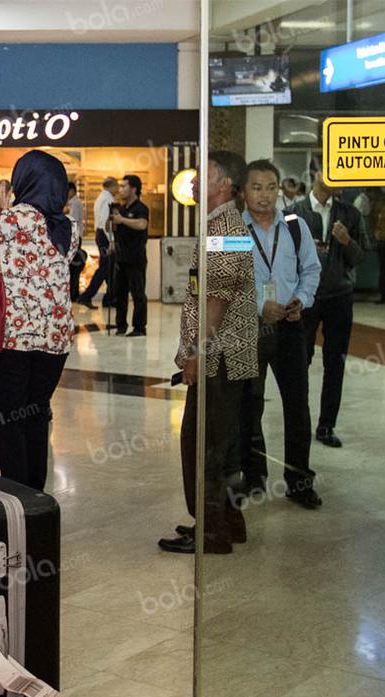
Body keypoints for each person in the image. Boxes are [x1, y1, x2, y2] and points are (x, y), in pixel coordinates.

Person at [158, 151, 257, 555]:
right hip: (226, 356)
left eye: (203, 175)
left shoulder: (225, 228)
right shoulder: (222, 224)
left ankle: (212, 531)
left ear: (224, 184)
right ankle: (227, 522)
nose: (194, 182)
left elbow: (216, 297)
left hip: (219, 357)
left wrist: (198, 353)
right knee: (224, 444)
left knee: (204, 446)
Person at [0, 150, 78, 490]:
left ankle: (17, 498)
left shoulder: (0, 220)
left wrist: (1, 210)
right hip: (54, 340)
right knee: (37, 412)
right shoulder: (68, 228)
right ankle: (37, 495)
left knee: (9, 418)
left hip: (9, 336)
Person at [239, 159, 323, 509]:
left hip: (290, 327)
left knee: (297, 406)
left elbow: (312, 269)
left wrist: (301, 300)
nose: (264, 195)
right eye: (256, 188)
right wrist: (260, 304)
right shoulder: (233, 230)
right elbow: (230, 280)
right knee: (249, 405)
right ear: (243, 192)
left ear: (279, 189)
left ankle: (299, 480)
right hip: (251, 327)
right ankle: (254, 475)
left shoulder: (295, 225)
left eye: (270, 187)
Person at [287, 159, 365, 449]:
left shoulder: (351, 214)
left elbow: (360, 257)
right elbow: (283, 257)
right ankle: (300, 422)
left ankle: (326, 425)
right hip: (305, 299)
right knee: (299, 362)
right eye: (332, 170)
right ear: (317, 173)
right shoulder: (294, 213)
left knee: (336, 363)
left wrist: (345, 242)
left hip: (339, 298)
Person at [111, 175, 149, 336]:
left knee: (138, 294)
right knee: (120, 293)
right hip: (121, 257)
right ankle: (120, 325)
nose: (121, 189)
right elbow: (115, 228)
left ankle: (140, 327)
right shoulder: (121, 208)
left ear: (133, 189)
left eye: (124, 186)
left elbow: (142, 224)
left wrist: (122, 220)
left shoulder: (141, 208)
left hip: (136, 258)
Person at [78, 177, 118, 310]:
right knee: (105, 268)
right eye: (117, 186)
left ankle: (110, 297)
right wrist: (111, 240)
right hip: (104, 236)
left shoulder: (101, 198)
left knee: (108, 267)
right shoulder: (108, 199)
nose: (119, 189)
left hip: (100, 234)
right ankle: (86, 296)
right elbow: (107, 222)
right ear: (112, 186)